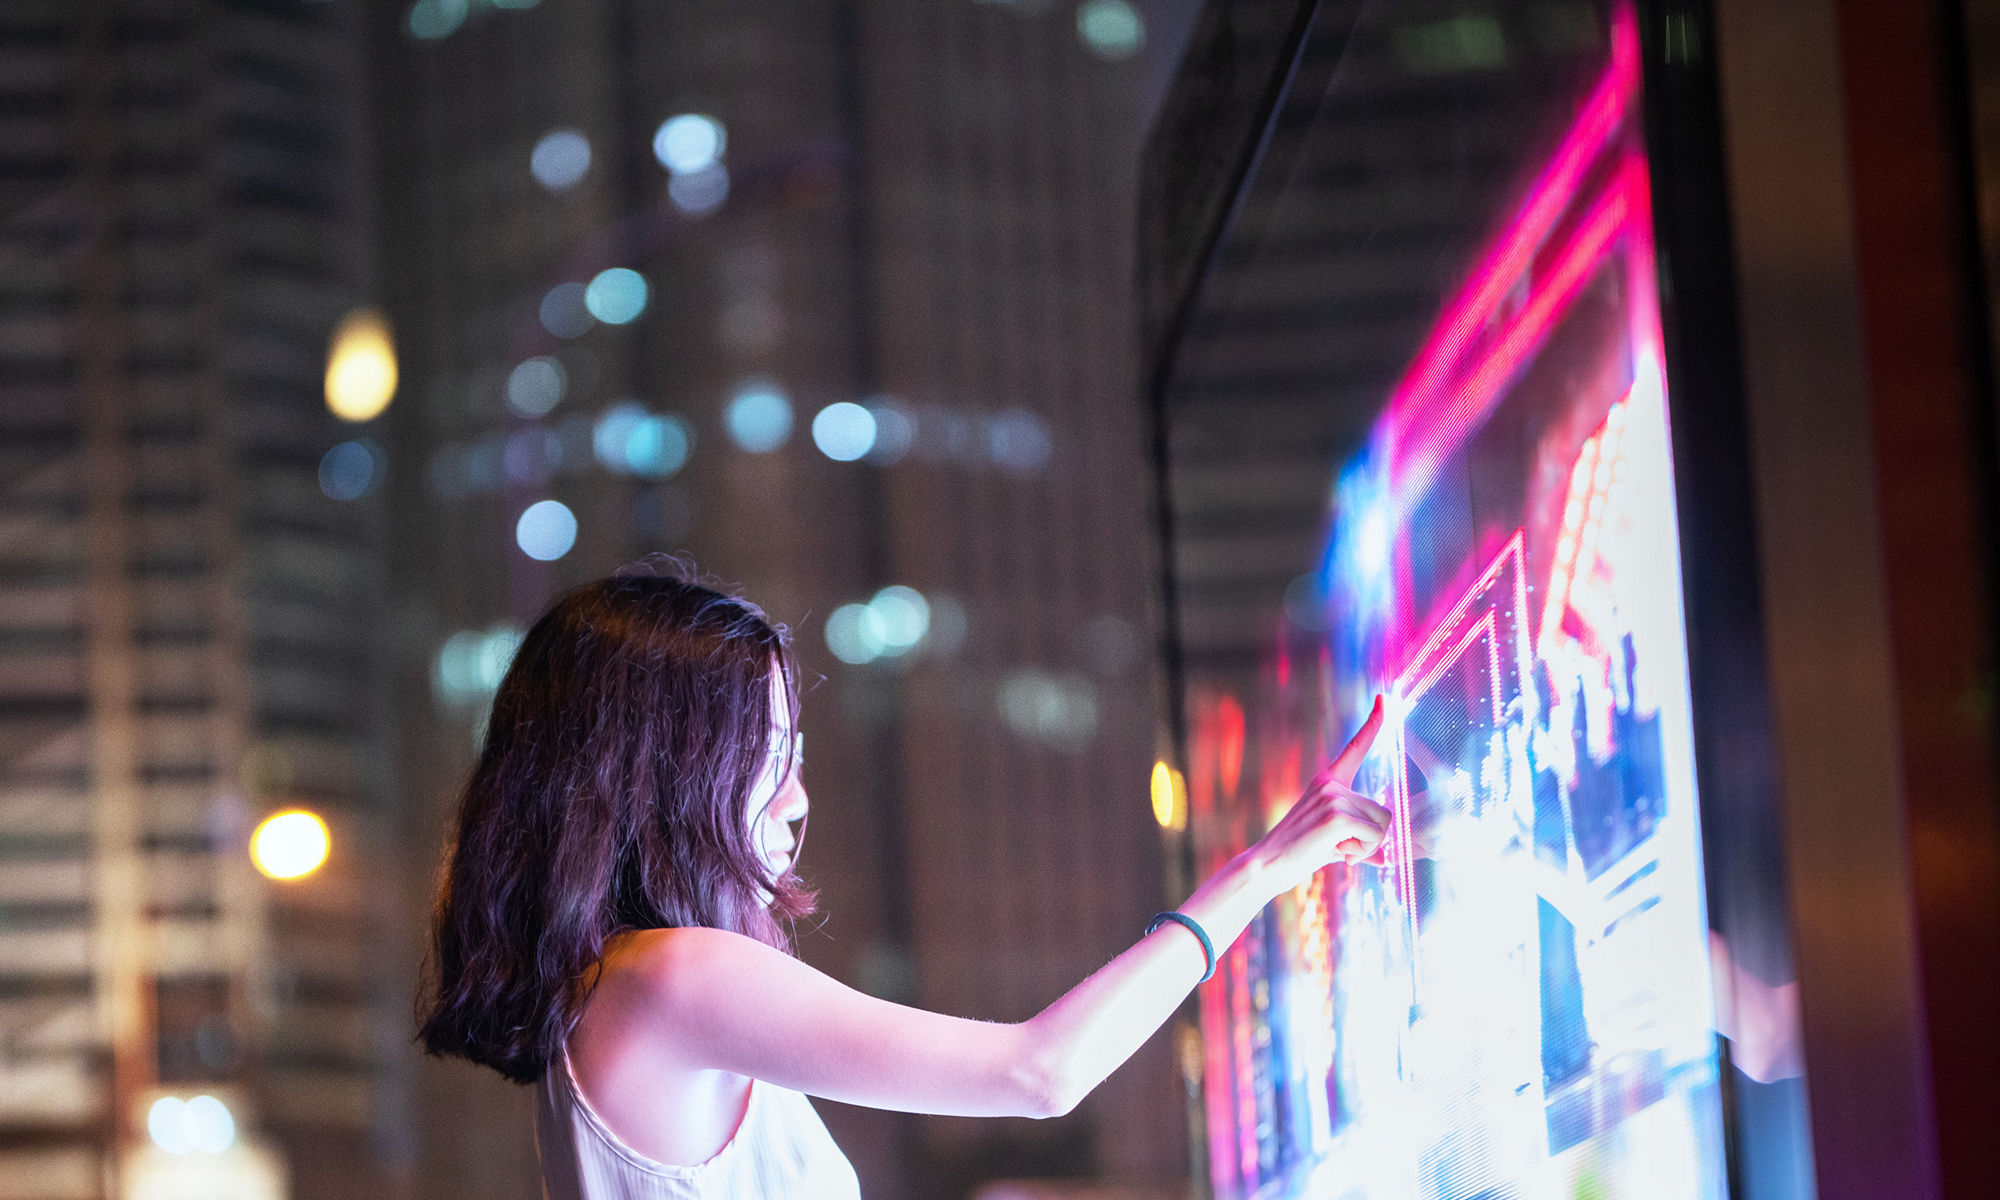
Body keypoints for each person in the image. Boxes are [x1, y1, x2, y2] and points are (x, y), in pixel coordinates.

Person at [417, 564, 1392, 1199]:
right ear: (668, 772)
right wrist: (1264, 868)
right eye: (763, 752)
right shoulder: (672, 978)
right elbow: (1037, 1073)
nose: (798, 796)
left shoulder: (623, 990)